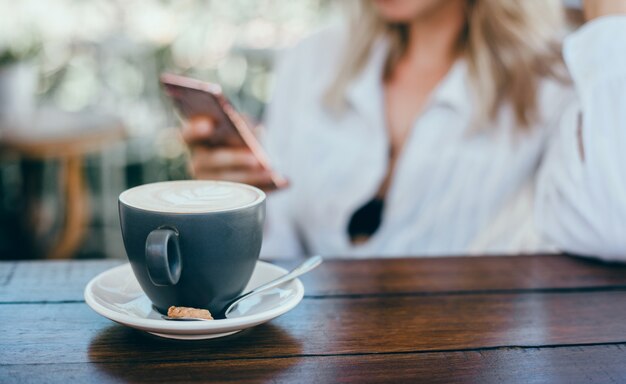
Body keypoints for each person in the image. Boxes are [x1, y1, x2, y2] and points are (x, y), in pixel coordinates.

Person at [183, 0, 626, 261]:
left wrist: (610, 24)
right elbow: (278, 256)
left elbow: (614, 226)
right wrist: (236, 205)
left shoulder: (556, 78)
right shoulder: (313, 61)